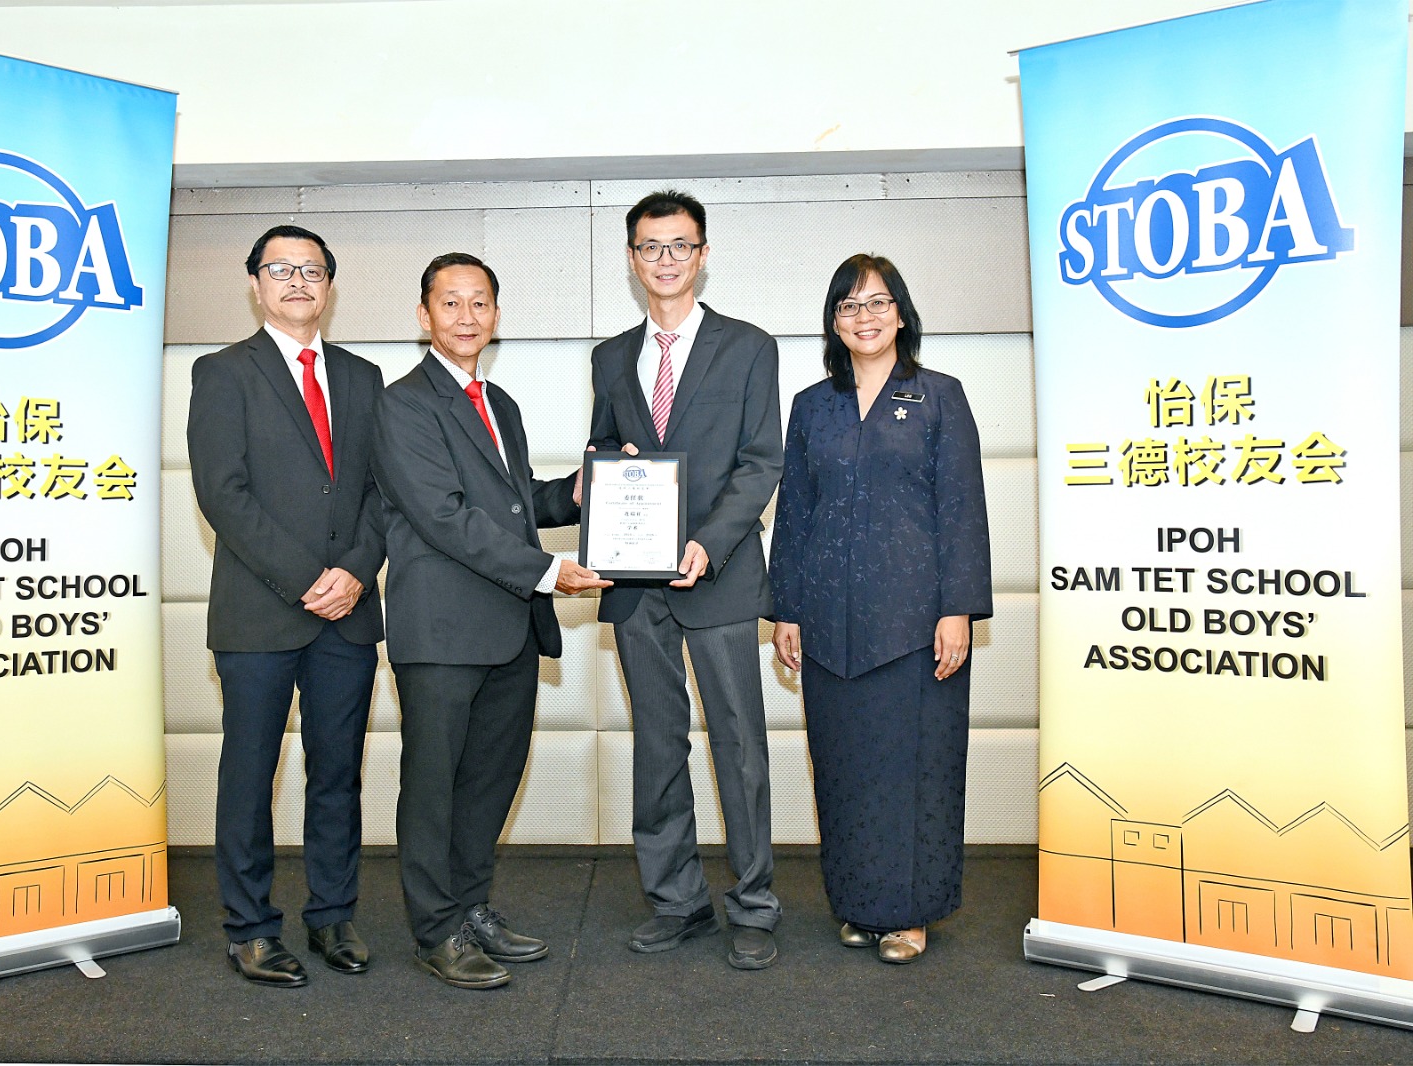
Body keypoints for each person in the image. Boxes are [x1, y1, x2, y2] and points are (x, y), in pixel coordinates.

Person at [373, 252, 610, 989]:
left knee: (488, 781)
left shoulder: (497, 402)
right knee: (434, 786)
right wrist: (549, 572)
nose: (466, 316)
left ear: (497, 315)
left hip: (507, 628)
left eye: (480, 303)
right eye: (450, 303)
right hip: (442, 633)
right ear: (424, 316)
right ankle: (435, 929)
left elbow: (514, 502)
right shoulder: (404, 405)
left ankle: (470, 906)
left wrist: (579, 491)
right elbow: (444, 516)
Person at [769, 254, 992, 964]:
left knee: (914, 770)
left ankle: (910, 913)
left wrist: (958, 609)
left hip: (915, 625)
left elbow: (962, 508)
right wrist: (786, 610)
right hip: (828, 625)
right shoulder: (812, 406)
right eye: (849, 306)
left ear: (901, 314)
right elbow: (795, 513)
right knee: (844, 769)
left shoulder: (940, 396)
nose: (864, 317)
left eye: (877, 303)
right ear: (833, 322)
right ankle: (860, 907)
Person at [588, 190, 784, 970]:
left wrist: (709, 541)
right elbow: (604, 452)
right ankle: (676, 899)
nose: (664, 260)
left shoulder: (750, 347)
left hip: (721, 577)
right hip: (637, 585)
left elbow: (760, 463)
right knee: (657, 743)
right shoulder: (610, 357)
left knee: (740, 743)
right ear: (632, 259)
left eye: (679, 246)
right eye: (650, 247)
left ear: (702, 254)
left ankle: (755, 904)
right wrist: (608, 467)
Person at [187, 224, 385, 987]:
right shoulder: (222, 372)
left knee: (338, 774)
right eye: (281, 269)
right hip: (261, 611)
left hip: (349, 612)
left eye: (312, 269)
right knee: (251, 773)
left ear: (330, 285)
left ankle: (332, 915)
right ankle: (250, 928)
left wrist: (357, 571)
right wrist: (309, 579)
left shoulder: (364, 377)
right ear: (255, 284)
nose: (298, 281)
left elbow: (382, 492)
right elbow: (223, 494)